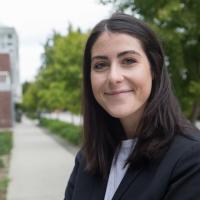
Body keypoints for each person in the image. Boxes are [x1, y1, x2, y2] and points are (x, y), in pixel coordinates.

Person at [64, 13, 200, 200]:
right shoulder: (88, 158)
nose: (113, 77)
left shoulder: (191, 159)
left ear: (154, 68)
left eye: (128, 61)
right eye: (100, 65)